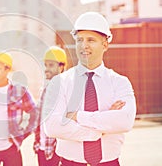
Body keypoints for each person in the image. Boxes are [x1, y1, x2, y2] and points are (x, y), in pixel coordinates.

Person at [43, 12, 137, 166]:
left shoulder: (120, 83)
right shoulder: (59, 82)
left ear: (105, 44)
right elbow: (52, 126)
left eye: (91, 40)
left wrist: (77, 116)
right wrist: (100, 129)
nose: (84, 45)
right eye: (80, 40)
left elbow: (124, 121)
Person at [33, 46, 67, 166]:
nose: (47, 69)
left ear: (61, 67)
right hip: (42, 146)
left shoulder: (65, 88)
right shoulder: (46, 88)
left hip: (57, 149)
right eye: (46, 65)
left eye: (51, 65)